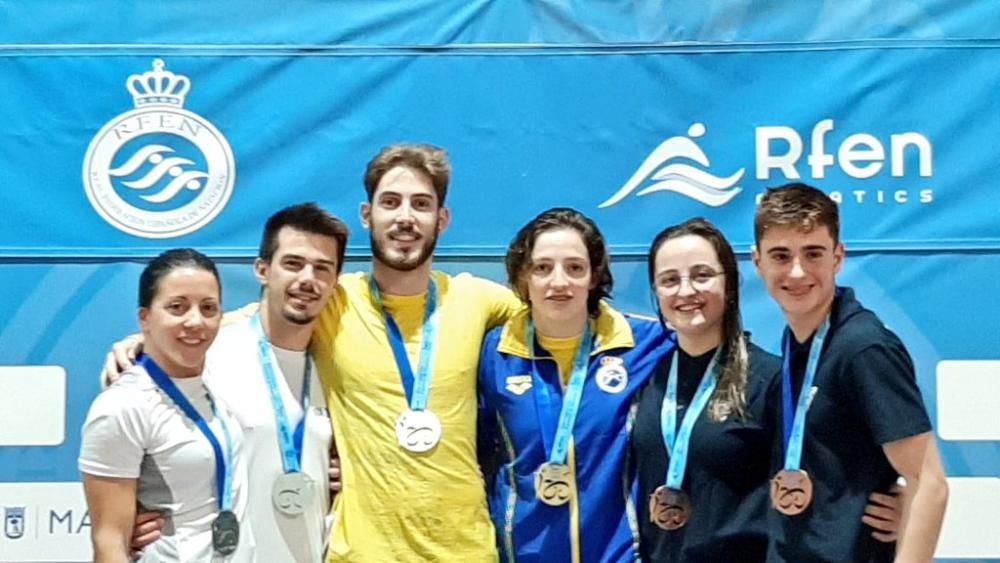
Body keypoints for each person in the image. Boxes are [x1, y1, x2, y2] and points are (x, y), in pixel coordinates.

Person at [105, 203, 349, 563]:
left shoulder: (338, 365)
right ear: (262, 270)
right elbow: (125, 452)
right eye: (293, 264)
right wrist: (125, 520)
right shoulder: (204, 354)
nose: (307, 279)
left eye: (322, 268)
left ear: (334, 282)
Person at [312, 143, 521, 562]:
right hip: (361, 554)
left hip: (465, 551)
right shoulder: (331, 301)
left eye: (421, 204)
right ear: (366, 215)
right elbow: (235, 329)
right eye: (390, 202)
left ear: (441, 220)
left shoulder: (479, 300)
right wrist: (143, 343)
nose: (405, 217)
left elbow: (569, 313)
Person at [751, 183, 948, 562]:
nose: (796, 271)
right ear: (757, 261)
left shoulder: (863, 348)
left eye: (813, 253)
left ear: (837, 257)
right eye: (781, 255)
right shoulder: (799, 342)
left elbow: (930, 484)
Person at [478, 208, 675, 561]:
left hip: (617, 555)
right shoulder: (493, 353)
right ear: (523, 276)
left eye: (574, 267)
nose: (559, 282)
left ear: (595, 275)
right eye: (542, 268)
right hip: (522, 553)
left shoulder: (645, 343)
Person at [81, 248, 255, 562]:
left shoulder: (217, 378)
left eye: (208, 308)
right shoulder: (123, 405)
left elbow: (259, 313)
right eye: (177, 307)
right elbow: (110, 542)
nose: (195, 321)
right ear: (144, 317)